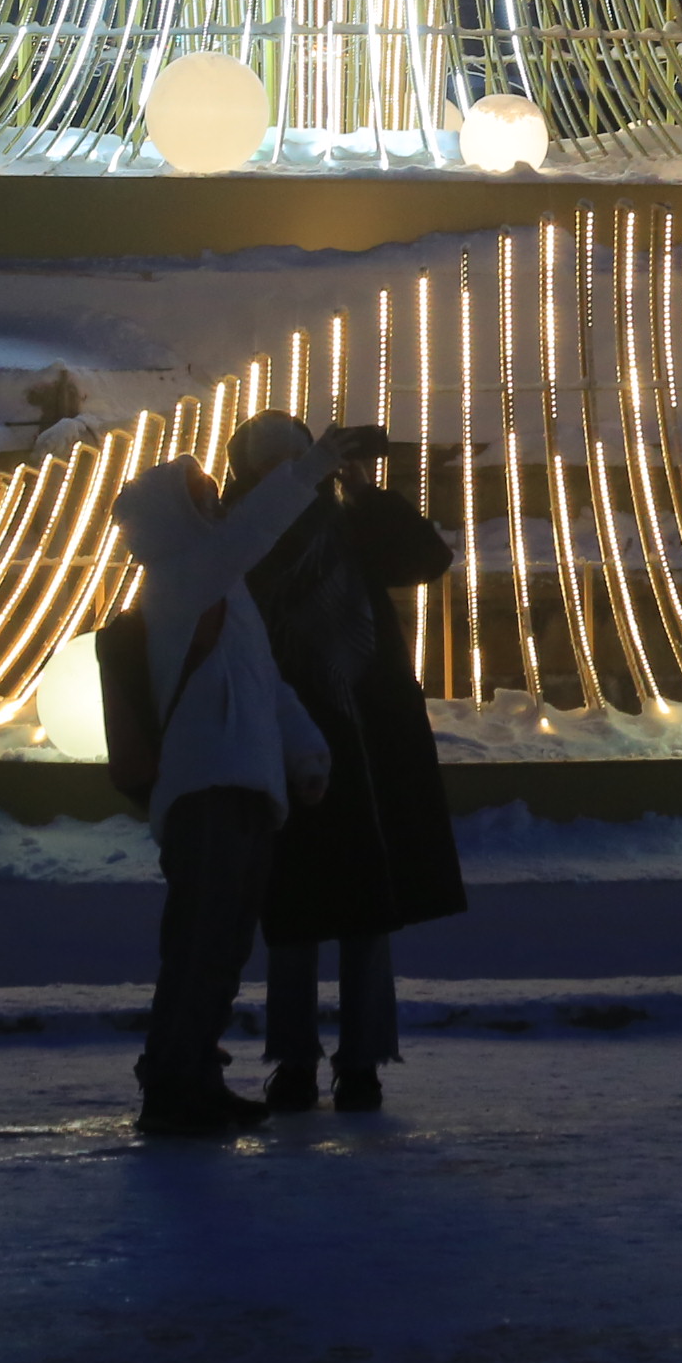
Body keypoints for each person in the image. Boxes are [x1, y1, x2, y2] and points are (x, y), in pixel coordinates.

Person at [95, 420, 380, 1136]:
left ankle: (196, 1073)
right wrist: (311, 466)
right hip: (207, 791)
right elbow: (253, 531)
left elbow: (265, 682)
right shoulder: (184, 578)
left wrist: (306, 754)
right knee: (200, 943)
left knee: (222, 945)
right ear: (178, 517)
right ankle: (172, 1083)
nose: (220, 503)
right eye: (204, 496)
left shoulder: (222, 588)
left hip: (244, 786)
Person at [226, 412, 469, 1115]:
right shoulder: (241, 528)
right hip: (287, 730)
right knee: (295, 911)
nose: (287, 475)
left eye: (297, 459)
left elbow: (425, 560)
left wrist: (364, 492)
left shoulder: (346, 522)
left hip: (368, 735)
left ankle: (360, 1062)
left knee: (366, 909)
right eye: (272, 464)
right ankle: (296, 1062)